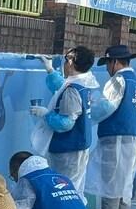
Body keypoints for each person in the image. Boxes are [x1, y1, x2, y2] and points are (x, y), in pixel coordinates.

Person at [91, 44, 136, 209]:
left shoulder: (117, 81)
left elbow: (105, 108)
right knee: (125, 183)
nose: (106, 68)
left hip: (115, 139)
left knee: (111, 183)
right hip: (132, 139)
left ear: (114, 62)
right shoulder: (135, 81)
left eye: (107, 64)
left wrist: (88, 110)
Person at [31, 47, 98, 184]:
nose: (64, 63)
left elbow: (66, 123)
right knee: (73, 190)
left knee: (64, 190)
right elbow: (62, 87)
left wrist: (46, 114)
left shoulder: (73, 90)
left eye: (66, 58)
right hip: (78, 147)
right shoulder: (83, 83)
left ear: (71, 61)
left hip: (68, 151)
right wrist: (50, 69)